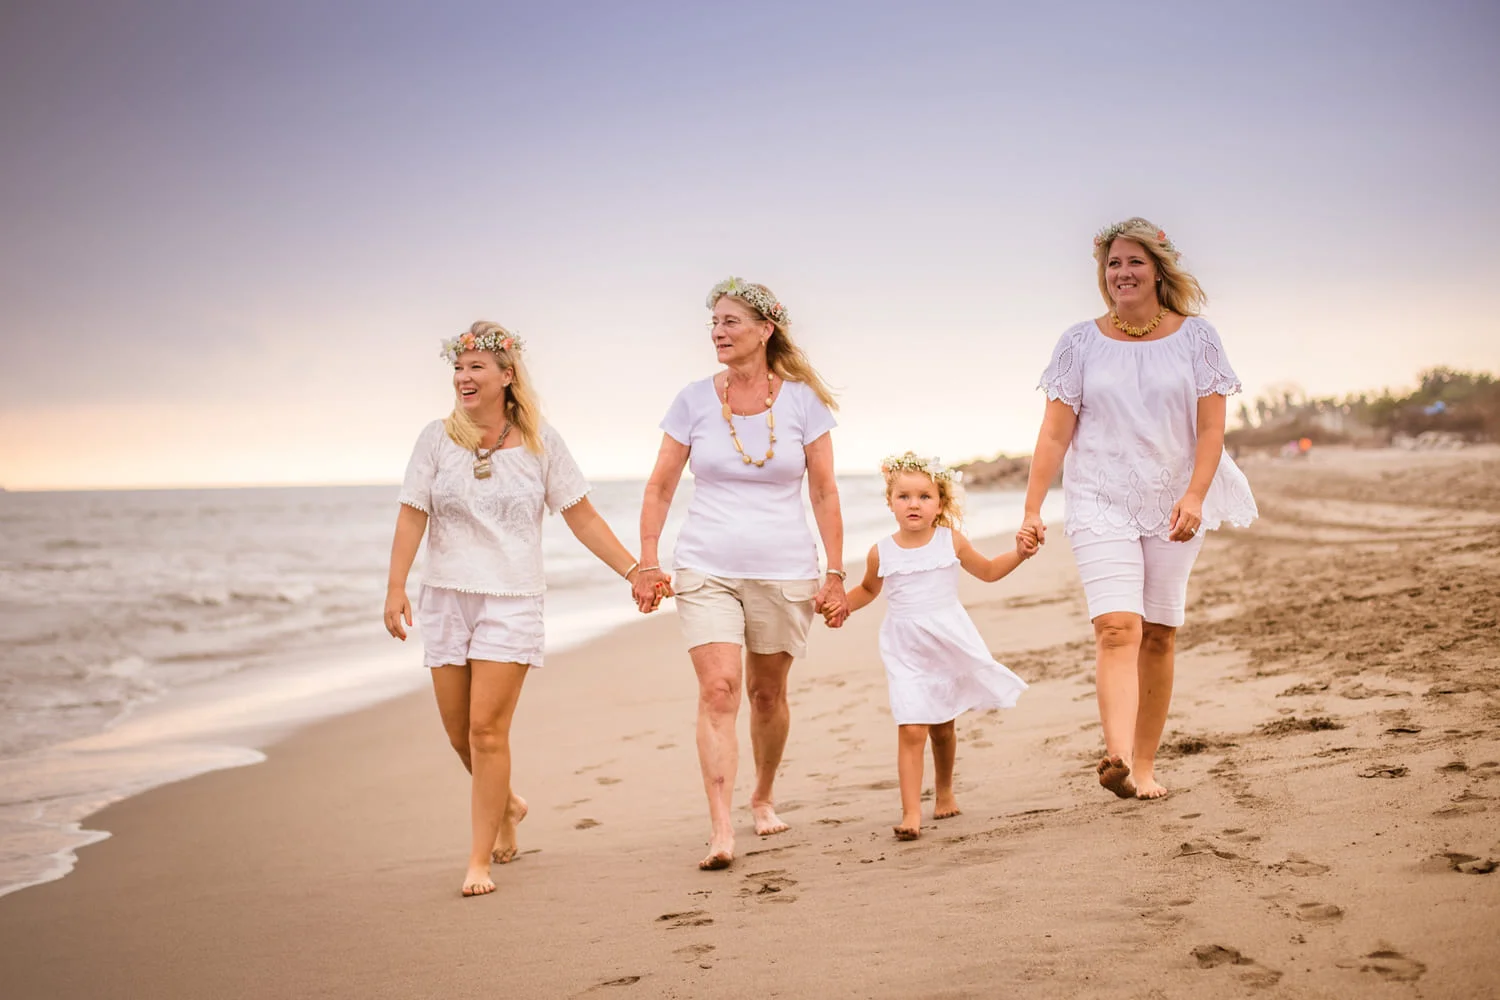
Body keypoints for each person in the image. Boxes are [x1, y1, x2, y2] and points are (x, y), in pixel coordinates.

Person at [384, 321, 646, 897]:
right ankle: (508, 804)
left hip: (512, 599)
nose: (463, 377)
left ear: (507, 375)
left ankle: (478, 860)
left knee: (486, 732)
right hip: (447, 598)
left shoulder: (540, 443)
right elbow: (411, 513)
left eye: (477, 367)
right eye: (458, 368)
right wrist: (396, 586)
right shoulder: (435, 439)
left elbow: (582, 516)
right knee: (459, 736)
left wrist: (634, 569)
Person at [1019, 218, 1259, 801]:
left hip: (1176, 497)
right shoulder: (1078, 342)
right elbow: (1054, 435)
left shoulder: (1197, 338)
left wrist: (1196, 495)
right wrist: (1031, 508)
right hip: (1100, 498)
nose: (1121, 274)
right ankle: (1117, 756)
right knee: (1115, 627)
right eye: (1112, 264)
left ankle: (1145, 765)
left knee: (1158, 633)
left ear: (1158, 269)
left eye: (1133, 262)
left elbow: (1210, 429)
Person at [634, 277, 847, 870]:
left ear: (765, 330)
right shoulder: (693, 400)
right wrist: (648, 559)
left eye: (731, 322)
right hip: (706, 566)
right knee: (719, 688)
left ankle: (764, 794)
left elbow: (827, 493)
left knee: (766, 693)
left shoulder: (805, 402)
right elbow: (660, 485)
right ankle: (722, 828)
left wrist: (834, 573)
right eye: (715, 323)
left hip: (784, 569)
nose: (719, 333)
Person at [836, 453, 1033, 840]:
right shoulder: (881, 551)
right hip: (905, 647)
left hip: (947, 642)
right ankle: (911, 813)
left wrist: (1020, 555)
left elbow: (990, 571)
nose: (914, 504)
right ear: (890, 503)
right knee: (911, 727)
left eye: (924, 497)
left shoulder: (950, 541)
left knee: (943, 728)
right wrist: (841, 604)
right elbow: (866, 591)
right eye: (904, 497)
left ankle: (944, 791)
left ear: (940, 504)